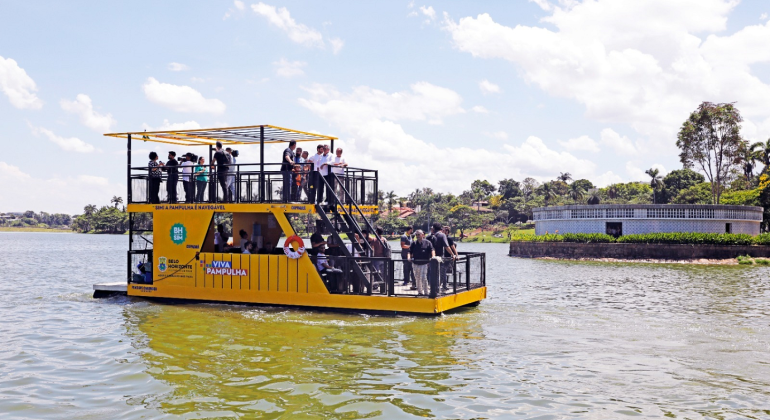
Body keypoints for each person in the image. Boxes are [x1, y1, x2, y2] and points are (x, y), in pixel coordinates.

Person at [408, 229, 434, 296]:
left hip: (424, 264)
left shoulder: (428, 242)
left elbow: (432, 250)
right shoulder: (414, 243)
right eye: (416, 235)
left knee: (423, 277)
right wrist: (409, 257)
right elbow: (409, 252)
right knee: (417, 277)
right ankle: (420, 292)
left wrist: (433, 257)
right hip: (415, 263)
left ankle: (426, 292)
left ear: (422, 235)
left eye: (419, 234)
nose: (417, 236)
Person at [430, 223, 453, 291]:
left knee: (433, 273)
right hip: (440, 258)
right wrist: (452, 254)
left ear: (433, 228)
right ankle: (437, 288)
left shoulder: (431, 235)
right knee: (441, 273)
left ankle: (433, 288)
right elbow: (446, 246)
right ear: (440, 228)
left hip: (432, 257)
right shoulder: (442, 235)